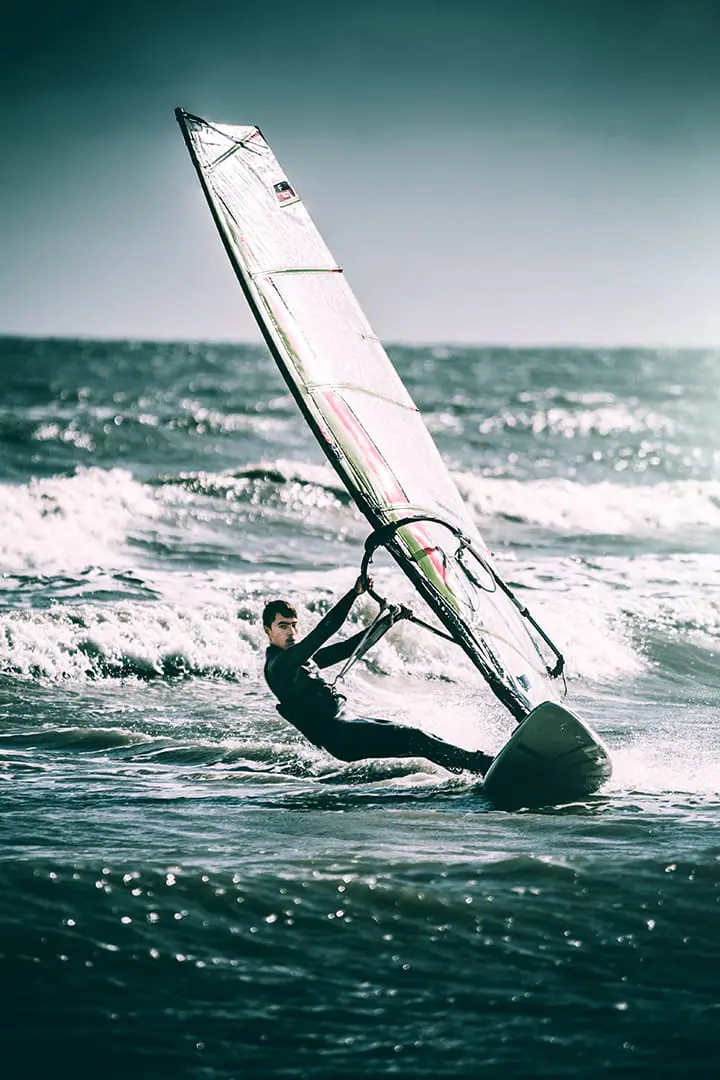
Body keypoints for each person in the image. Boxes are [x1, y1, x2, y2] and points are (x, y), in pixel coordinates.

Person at [262, 576, 494, 775]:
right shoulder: (279, 665)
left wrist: (389, 620)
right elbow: (326, 629)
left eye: (294, 625)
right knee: (415, 738)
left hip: (350, 723)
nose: (291, 632)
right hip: (340, 735)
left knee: (421, 738)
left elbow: (349, 648)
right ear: (267, 630)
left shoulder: (298, 660)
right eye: (282, 626)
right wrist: (353, 594)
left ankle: (475, 769)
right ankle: (483, 765)